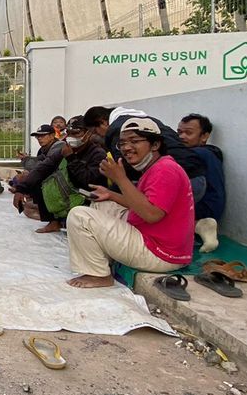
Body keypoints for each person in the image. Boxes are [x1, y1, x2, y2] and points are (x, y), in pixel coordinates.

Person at [65, 118, 195, 288]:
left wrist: (120, 179)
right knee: (102, 205)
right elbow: (142, 204)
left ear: (155, 145)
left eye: (134, 141)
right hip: (154, 239)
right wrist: (110, 194)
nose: (126, 148)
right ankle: (103, 259)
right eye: (123, 143)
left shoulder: (165, 170)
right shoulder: (157, 166)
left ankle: (98, 275)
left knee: (79, 216)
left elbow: (151, 215)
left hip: (161, 254)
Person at [177, 113, 226, 253]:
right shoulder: (210, 152)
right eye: (179, 132)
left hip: (203, 207)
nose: (182, 137)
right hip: (212, 206)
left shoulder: (194, 155)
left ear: (204, 136)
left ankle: (197, 225)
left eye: (188, 133)